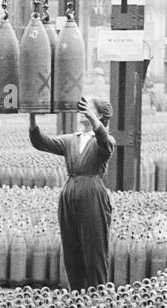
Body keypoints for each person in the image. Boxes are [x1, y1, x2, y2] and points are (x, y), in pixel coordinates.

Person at [28, 97, 114, 290]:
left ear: (100, 115)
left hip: (92, 191)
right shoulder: (71, 140)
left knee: (94, 246)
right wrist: (33, 120)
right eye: (82, 108)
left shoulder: (104, 139)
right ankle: (77, 293)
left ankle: (98, 293)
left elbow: (105, 144)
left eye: (88, 108)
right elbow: (43, 143)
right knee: (71, 246)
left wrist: (94, 120)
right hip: (69, 191)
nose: (82, 111)